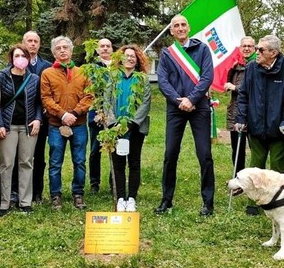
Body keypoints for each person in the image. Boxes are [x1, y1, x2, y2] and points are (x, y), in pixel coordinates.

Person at [156, 14, 215, 216]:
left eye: (183, 25)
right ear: (171, 31)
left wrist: (192, 99)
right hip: (175, 108)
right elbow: (162, 81)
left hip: (199, 107)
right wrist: (178, 100)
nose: (180, 28)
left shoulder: (203, 49)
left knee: (205, 155)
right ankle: (166, 200)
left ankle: (208, 202)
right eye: (176, 26)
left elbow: (207, 77)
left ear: (188, 28)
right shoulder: (167, 54)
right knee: (170, 154)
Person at [41, 36, 93, 210]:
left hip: (79, 124)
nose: (62, 50)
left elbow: (89, 96)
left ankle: (78, 193)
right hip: (57, 125)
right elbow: (46, 98)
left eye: (65, 47)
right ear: (54, 52)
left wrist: (75, 113)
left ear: (71, 51)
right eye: (59, 48)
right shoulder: (47, 74)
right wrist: (63, 115)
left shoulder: (83, 72)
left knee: (79, 160)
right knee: (55, 161)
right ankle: (56, 195)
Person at [235, 35, 284, 172]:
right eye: (256, 48)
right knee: (256, 168)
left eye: (260, 49)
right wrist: (241, 118)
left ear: (273, 53)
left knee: (278, 168)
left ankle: (280, 194)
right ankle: (256, 194)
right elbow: (243, 95)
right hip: (256, 126)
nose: (256, 52)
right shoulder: (251, 67)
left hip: (279, 128)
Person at [0, 44, 42, 215]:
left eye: (23, 55)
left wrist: (38, 119)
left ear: (28, 59)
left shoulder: (34, 79)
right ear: (11, 58)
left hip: (27, 127)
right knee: (6, 164)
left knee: (26, 163)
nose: (20, 59)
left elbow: (38, 102)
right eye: (16, 55)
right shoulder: (1, 76)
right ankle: (2, 203)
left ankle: (25, 201)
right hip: (8, 127)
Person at [108, 45, 151, 212]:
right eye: (126, 55)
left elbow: (146, 103)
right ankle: (120, 198)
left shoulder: (142, 79)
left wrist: (131, 124)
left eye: (133, 56)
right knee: (118, 164)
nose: (130, 58)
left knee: (134, 162)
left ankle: (132, 197)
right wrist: (113, 124)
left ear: (137, 59)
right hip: (115, 128)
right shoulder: (112, 77)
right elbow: (106, 101)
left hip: (135, 128)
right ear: (121, 58)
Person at [22, 30, 51, 203]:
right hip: (18, 118)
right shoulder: (16, 63)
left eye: (36, 41)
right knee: (20, 157)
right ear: (23, 43)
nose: (32, 44)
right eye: (29, 41)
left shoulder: (47, 65)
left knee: (38, 156)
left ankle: (37, 192)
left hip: (41, 119)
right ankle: (18, 191)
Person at [224, 36, 256, 177]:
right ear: (240, 48)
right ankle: (239, 177)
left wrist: (235, 87)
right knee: (237, 149)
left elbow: (254, 89)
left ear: (254, 48)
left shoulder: (257, 65)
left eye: (250, 46)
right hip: (235, 114)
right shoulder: (235, 67)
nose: (247, 48)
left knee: (256, 149)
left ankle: (254, 178)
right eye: (244, 46)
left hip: (254, 114)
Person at [88, 38, 113, 193]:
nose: (104, 48)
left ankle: (113, 181)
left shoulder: (118, 67)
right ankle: (94, 183)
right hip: (97, 113)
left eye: (108, 46)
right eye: (102, 46)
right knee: (95, 150)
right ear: (97, 50)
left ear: (112, 49)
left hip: (115, 115)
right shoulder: (92, 68)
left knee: (115, 149)